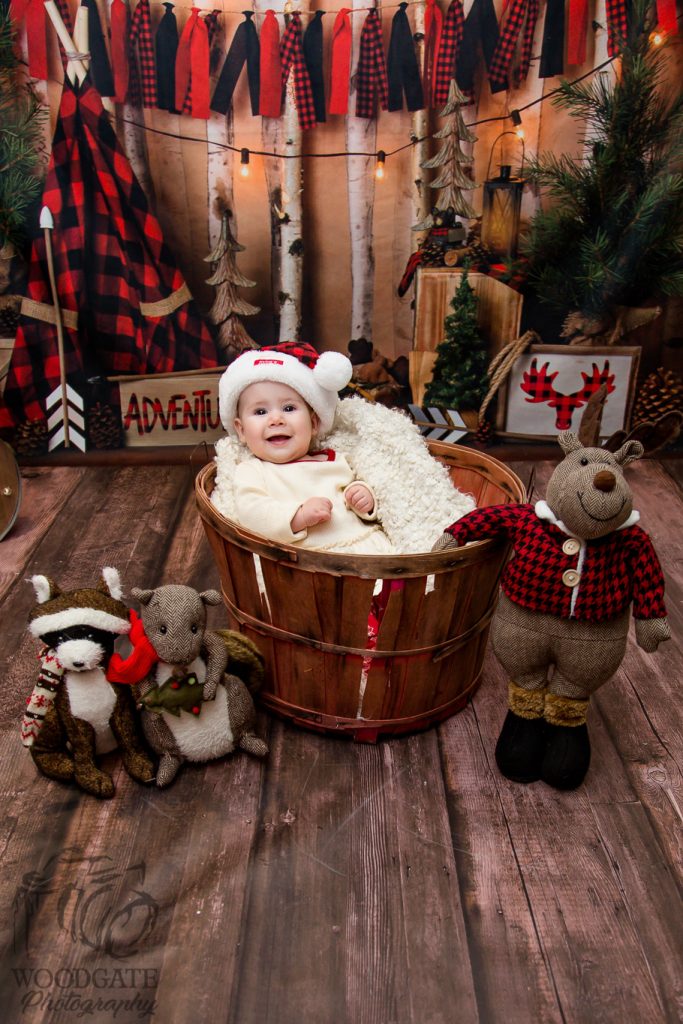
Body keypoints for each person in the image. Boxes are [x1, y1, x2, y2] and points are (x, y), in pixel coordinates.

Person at [217, 342, 394, 554]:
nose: (276, 419)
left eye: (289, 408)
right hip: (314, 559)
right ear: (241, 430)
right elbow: (253, 513)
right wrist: (298, 516)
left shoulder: (336, 459)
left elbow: (357, 490)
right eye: (261, 412)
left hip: (368, 545)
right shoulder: (253, 470)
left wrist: (364, 497)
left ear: (314, 423)